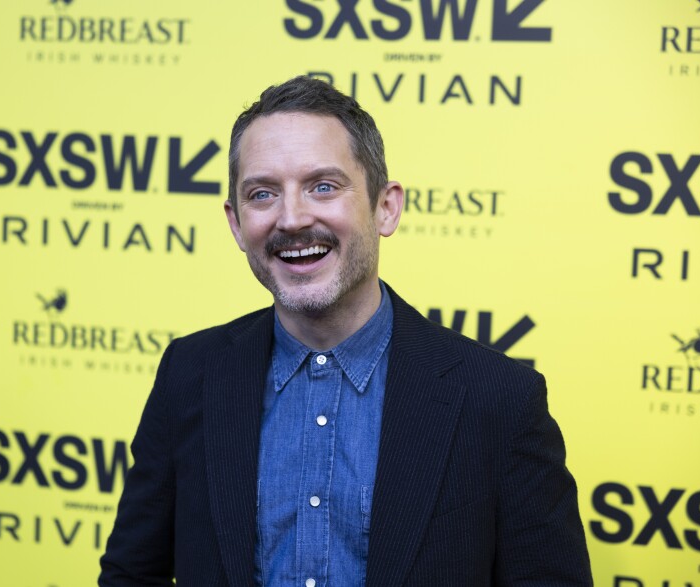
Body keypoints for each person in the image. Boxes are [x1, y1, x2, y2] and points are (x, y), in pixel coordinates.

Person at [99, 76, 592, 586]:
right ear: (235, 224)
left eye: (323, 186)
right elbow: (132, 573)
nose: (292, 218)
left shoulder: (500, 400)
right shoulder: (190, 374)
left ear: (386, 206)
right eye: (262, 194)